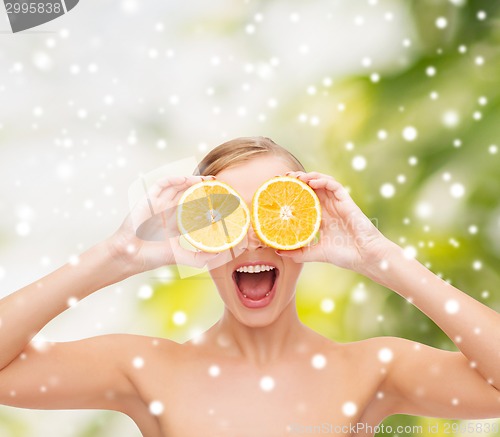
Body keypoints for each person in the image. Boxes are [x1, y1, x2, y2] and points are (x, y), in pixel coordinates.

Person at [0, 136, 499, 437]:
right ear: (194, 235)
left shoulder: (373, 370)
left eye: (275, 213)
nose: (251, 241)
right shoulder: (146, 370)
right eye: (225, 217)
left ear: (308, 225)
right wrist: (116, 255)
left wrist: (379, 257)